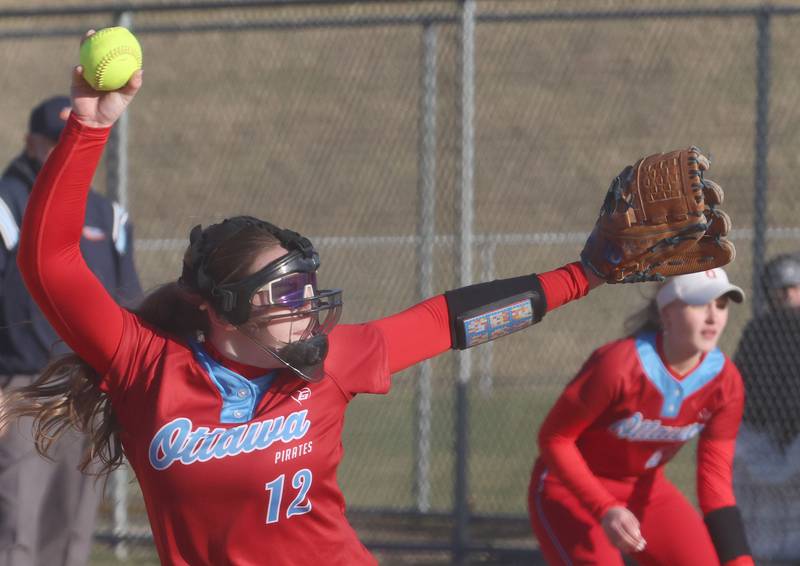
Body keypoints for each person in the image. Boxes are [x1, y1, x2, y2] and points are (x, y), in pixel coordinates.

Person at [0, 32, 722, 565]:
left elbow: (452, 320)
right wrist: (87, 128)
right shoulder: (144, 367)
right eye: (284, 291)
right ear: (218, 306)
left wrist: (585, 273)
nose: (306, 305)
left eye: (307, 287)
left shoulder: (332, 360)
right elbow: (51, 263)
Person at [529, 268, 754, 566]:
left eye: (722, 305)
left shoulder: (725, 382)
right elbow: (555, 439)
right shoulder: (619, 365)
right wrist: (604, 507)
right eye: (700, 304)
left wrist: (740, 561)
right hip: (568, 488)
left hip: (643, 489)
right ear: (667, 313)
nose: (713, 317)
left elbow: (716, 483)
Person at [0, 95, 141, 566]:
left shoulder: (108, 216)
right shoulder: (6, 207)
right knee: (15, 521)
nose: (64, 152)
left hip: (86, 388)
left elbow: (129, 302)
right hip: (21, 388)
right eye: (54, 143)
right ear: (31, 144)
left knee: (72, 525)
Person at [733, 252, 800, 561]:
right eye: (780, 288)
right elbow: (744, 393)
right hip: (764, 433)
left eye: (794, 287)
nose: (787, 294)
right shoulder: (759, 333)